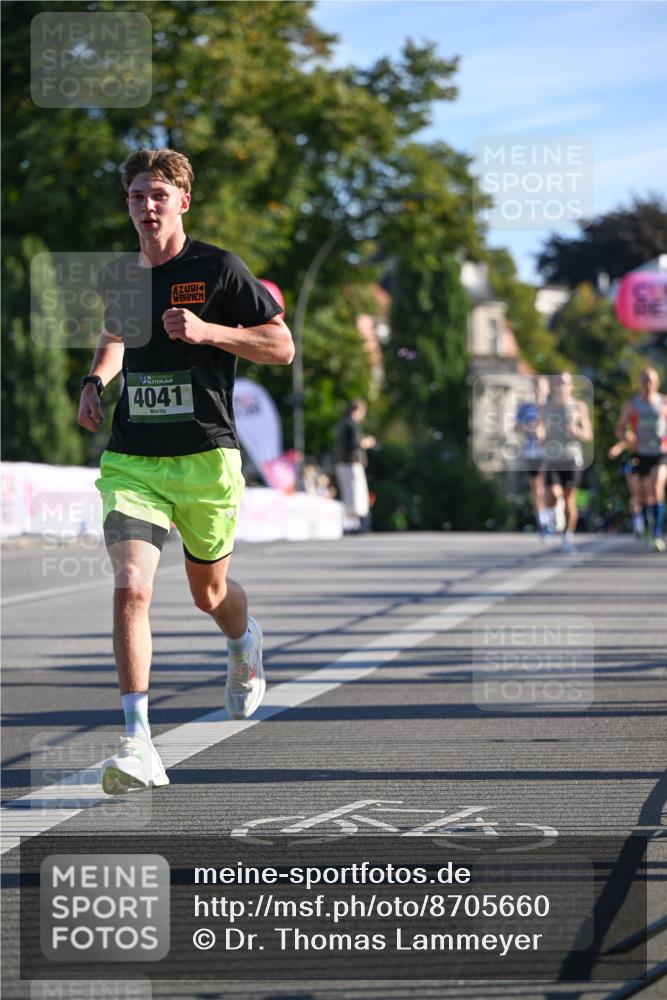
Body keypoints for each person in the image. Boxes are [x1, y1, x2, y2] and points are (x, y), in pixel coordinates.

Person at [77, 148, 294, 793]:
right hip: (133, 457)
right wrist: (95, 380)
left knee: (209, 596)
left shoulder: (219, 268)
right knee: (131, 586)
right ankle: (137, 741)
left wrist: (208, 333)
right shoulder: (120, 275)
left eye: (159, 196)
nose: (148, 207)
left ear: (182, 202)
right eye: (138, 196)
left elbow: (281, 345)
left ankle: (244, 642)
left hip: (205, 456)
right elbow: (116, 336)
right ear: (129, 204)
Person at [615, 367, 667, 551]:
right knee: (643, 494)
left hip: (660, 453)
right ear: (640, 383)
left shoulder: (663, 403)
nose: (647, 385)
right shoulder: (632, 405)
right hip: (639, 453)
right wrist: (626, 437)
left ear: (657, 383)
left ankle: (658, 532)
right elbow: (620, 429)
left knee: (656, 486)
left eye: (651, 381)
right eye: (644, 381)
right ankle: (646, 525)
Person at [540, 373, 593, 554]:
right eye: (558, 383)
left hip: (571, 458)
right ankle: (553, 519)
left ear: (571, 387)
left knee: (569, 499)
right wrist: (541, 436)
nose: (562, 387)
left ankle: (567, 537)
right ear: (554, 386)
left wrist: (577, 431)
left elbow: (588, 434)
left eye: (565, 383)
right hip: (553, 458)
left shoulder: (578, 406)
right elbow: (540, 431)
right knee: (552, 495)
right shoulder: (546, 407)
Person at [515, 375, 551, 539]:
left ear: (547, 389)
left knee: (550, 488)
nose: (537, 389)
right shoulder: (525, 408)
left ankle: (552, 515)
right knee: (537, 487)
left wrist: (543, 430)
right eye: (535, 386)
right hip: (531, 452)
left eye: (540, 386)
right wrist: (526, 426)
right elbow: (516, 428)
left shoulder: (552, 407)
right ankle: (542, 522)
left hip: (549, 452)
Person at [334, 399, 375, 533]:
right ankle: (355, 524)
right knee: (356, 493)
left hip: (341, 462)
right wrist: (368, 442)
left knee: (348, 493)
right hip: (352, 463)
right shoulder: (352, 425)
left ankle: (348, 523)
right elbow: (355, 444)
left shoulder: (341, 424)